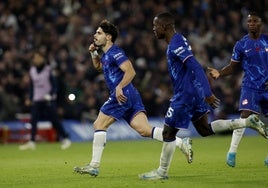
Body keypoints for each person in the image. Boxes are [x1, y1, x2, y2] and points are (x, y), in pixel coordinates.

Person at [139, 12, 268, 180]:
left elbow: (196, 66)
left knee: (168, 134)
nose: (153, 29)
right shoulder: (178, 40)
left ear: (165, 26)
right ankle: (245, 122)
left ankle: (162, 172)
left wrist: (208, 93)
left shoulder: (176, 42)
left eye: (156, 26)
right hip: (193, 93)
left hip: (185, 95)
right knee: (205, 129)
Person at [73, 20, 193, 177]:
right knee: (144, 130)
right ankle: (180, 142)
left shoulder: (115, 52)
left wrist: (119, 87)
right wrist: (93, 53)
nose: (95, 35)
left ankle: (94, 165)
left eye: (99, 33)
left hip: (122, 95)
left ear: (108, 37)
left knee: (98, 124)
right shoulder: (107, 56)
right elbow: (98, 67)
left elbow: (130, 71)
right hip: (131, 96)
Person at [208, 12, 268, 167]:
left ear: (261, 23)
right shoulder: (241, 44)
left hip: (267, 87)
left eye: (255, 21)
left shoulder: (267, 41)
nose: (252, 24)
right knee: (245, 116)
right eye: (249, 21)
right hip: (250, 86)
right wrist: (219, 73)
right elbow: (233, 67)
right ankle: (232, 152)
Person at [19, 50, 71, 150]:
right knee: (33, 120)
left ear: (43, 59)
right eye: (35, 58)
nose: (36, 60)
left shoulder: (48, 70)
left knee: (54, 120)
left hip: (47, 100)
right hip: (36, 99)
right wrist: (29, 98)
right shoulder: (32, 70)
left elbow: (55, 86)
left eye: (38, 57)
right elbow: (32, 86)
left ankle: (65, 138)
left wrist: (50, 94)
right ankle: (32, 142)